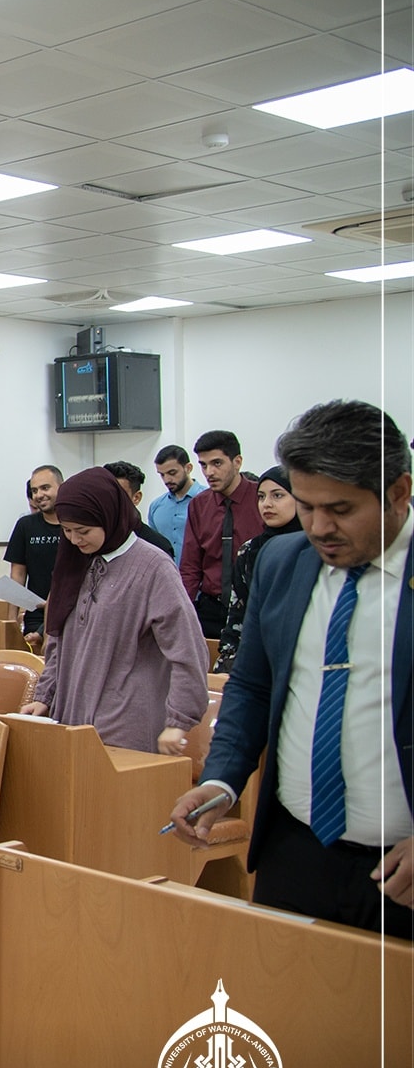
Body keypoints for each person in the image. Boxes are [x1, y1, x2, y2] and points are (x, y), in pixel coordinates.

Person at [171, 401, 411, 939]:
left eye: (341, 509)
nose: (319, 527)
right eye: (306, 505)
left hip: (403, 864)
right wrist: (222, 777)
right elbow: (253, 686)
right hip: (295, 849)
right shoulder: (283, 562)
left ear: (399, 492)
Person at [18, 468, 208, 755]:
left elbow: (186, 650)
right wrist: (44, 696)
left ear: (109, 516)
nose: (74, 539)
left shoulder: (154, 567)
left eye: (83, 531)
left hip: (126, 724)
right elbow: (58, 641)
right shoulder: (74, 562)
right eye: (67, 530)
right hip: (71, 718)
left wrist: (179, 720)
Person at [214, 465, 301, 674]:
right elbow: (238, 614)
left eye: (277, 495)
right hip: (257, 657)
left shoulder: (314, 551)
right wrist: (227, 663)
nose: (267, 504)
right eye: (261, 497)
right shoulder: (250, 551)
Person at [179, 429, 262, 639]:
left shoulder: (261, 499)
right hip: (211, 609)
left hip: (254, 606)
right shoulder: (199, 505)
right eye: (203, 465)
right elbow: (190, 566)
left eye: (217, 463)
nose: (209, 472)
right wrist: (183, 611)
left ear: (237, 462)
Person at [5, 464, 64, 645]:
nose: (39, 495)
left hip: (68, 611)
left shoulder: (75, 526)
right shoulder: (25, 525)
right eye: (35, 490)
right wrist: (12, 618)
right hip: (35, 613)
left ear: (62, 487)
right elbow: (18, 574)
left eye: (45, 488)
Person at [102, 460, 175, 557]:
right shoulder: (89, 541)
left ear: (136, 498)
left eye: (119, 494)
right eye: (105, 493)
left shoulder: (158, 547)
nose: (110, 499)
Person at [150, 444, 200, 559]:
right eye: (162, 475)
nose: (167, 480)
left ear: (188, 468)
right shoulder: (156, 506)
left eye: (172, 473)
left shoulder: (210, 501)